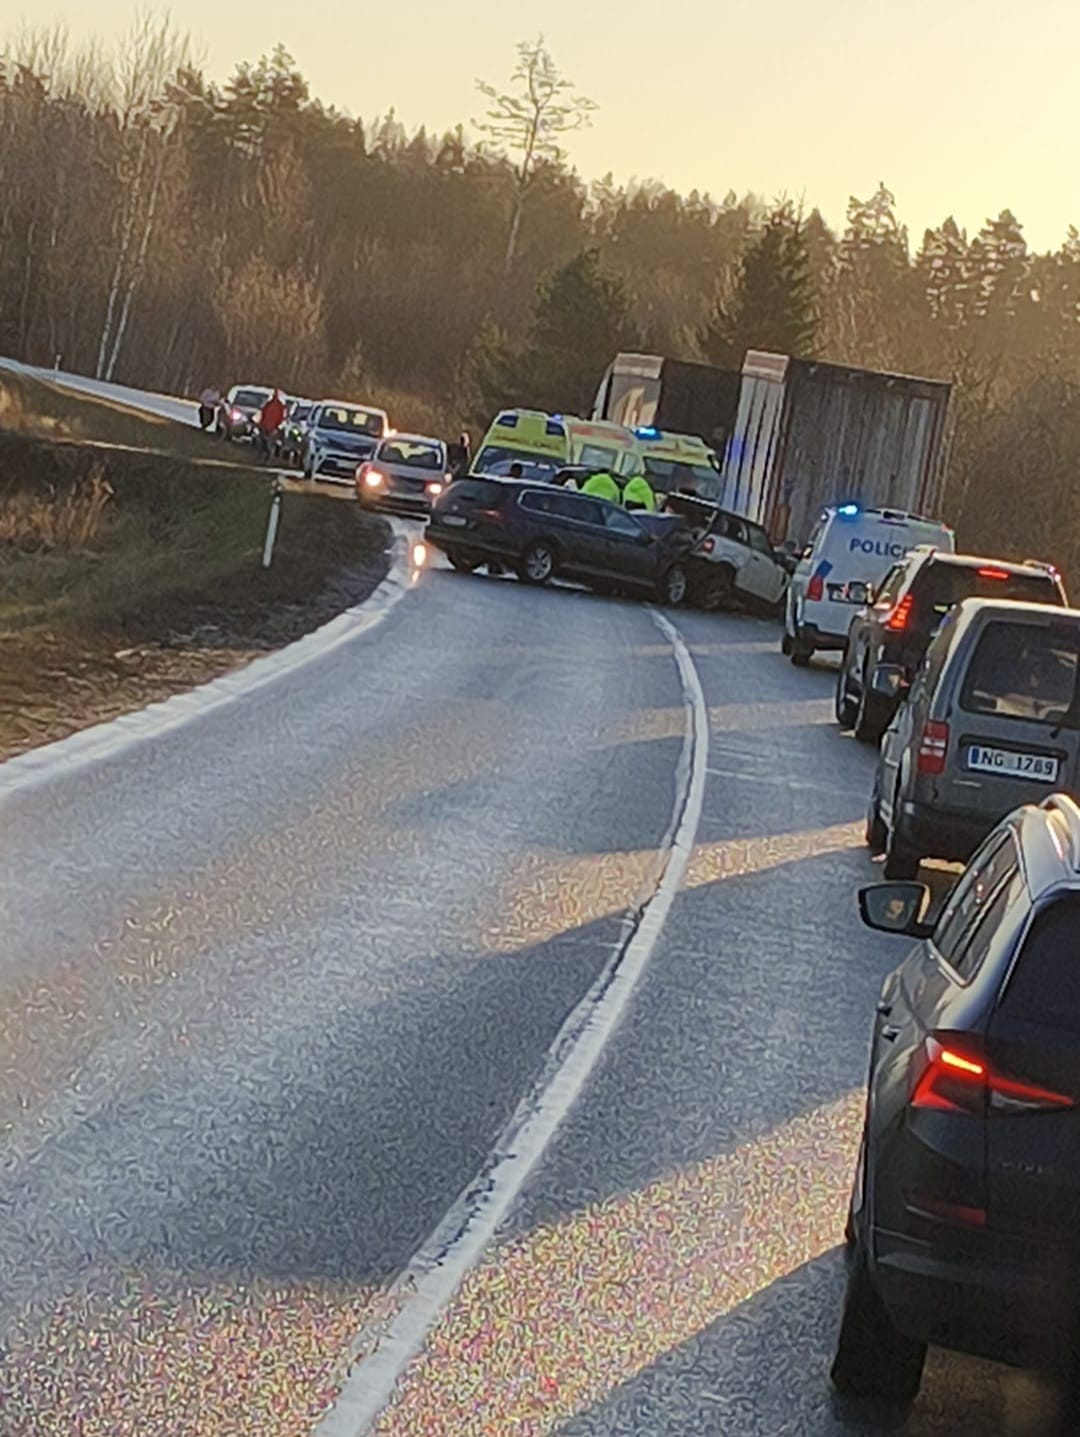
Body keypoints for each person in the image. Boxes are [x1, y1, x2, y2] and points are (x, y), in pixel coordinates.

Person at [256, 388, 286, 460]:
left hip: (272, 428)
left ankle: (268, 458)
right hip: (266, 427)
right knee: (262, 442)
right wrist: (260, 424)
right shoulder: (268, 404)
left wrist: (278, 428)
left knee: (269, 444)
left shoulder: (281, 407)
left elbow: (283, 419)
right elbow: (262, 414)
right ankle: (262, 457)